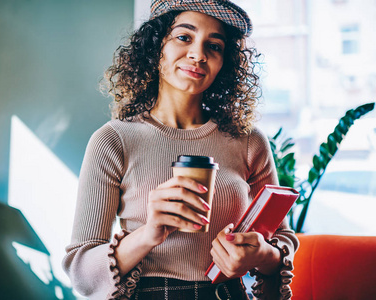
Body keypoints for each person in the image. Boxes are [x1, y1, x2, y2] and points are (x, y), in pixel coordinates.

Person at [63, 1, 299, 299]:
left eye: (214, 46)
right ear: (155, 46)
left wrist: (262, 255)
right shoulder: (113, 141)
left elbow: (282, 237)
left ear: (224, 62)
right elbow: (82, 273)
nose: (198, 55)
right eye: (184, 37)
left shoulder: (249, 141)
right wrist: (149, 233)